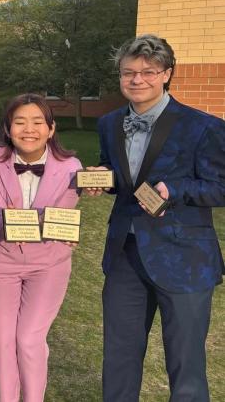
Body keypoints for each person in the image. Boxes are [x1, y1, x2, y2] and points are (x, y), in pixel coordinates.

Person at [85, 34, 225, 401]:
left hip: (185, 259)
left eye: (148, 72)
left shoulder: (204, 127)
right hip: (125, 255)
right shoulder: (110, 123)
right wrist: (101, 180)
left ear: (166, 74)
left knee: (185, 362)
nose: (137, 80)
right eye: (128, 72)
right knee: (118, 356)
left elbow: (220, 187)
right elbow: (121, 178)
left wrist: (173, 191)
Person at [0, 94, 82, 402]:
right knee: (2, 340)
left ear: (51, 129)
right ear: (8, 129)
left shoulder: (71, 167)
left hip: (49, 263)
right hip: (2, 261)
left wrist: (21, 220)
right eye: (19, 122)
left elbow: (61, 220)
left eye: (38, 122)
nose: (29, 129)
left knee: (28, 339)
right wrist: (35, 221)